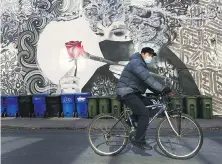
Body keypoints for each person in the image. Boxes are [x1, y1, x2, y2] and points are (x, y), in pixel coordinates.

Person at [116, 47, 172, 150]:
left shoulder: (141, 64)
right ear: (142, 53)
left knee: (151, 104)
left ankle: (132, 120)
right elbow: (147, 79)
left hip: (133, 92)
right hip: (126, 93)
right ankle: (139, 140)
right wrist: (162, 88)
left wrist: (159, 91)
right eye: (149, 54)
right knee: (144, 113)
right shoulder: (136, 63)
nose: (150, 57)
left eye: (151, 55)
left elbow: (146, 82)